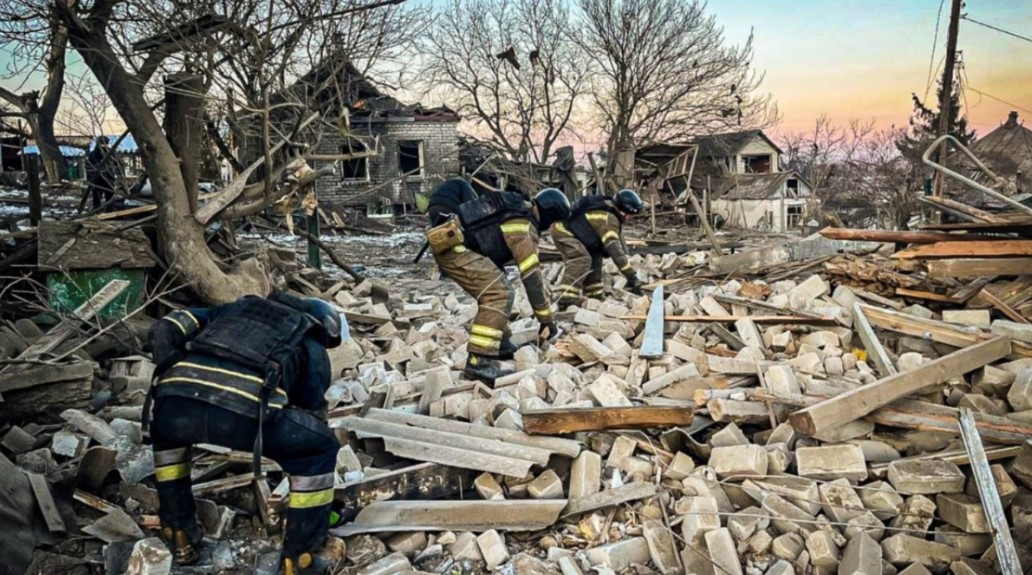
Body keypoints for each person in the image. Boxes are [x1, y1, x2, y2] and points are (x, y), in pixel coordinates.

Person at [146, 292, 343, 575]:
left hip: (174, 407)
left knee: (169, 448)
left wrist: (170, 372)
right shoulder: (308, 338)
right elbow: (313, 411)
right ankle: (302, 557)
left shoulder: (230, 309)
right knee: (319, 448)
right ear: (322, 324)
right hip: (244, 417)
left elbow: (165, 327)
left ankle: (179, 534)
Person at [425, 179, 570, 384]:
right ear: (550, 216)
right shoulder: (524, 225)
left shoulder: (517, 211)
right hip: (455, 250)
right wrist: (546, 319)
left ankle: (501, 345)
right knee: (499, 293)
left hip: (457, 246)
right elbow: (532, 278)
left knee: (499, 286)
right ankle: (479, 362)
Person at [552, 189, 646, 306]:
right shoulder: (609, 219)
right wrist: (631, 276)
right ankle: (566, 297)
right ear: (626, 211)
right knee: (581, 258)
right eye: (633, 214)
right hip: (563, 230)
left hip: (579, 234)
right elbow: (615, 251)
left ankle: (593, 295)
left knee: (596, 256)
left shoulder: (609, 211)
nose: (633, 218)